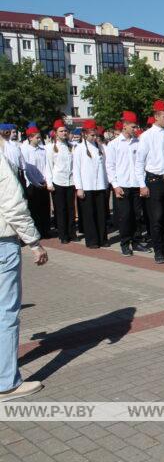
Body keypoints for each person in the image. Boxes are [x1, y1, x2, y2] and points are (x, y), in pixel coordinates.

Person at [0, 149, 48, 402]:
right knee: (6, 313)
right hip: (2, 242)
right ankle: (6, 383)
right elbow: (12, 205)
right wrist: (34, 242)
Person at [136, 100, 164, 264]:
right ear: (156, 116)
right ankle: (158, 251)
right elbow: (139, 162)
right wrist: (142, 184)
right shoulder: (146, 136)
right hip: (154, 181)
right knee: (157, 218)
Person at [106, 112, 148, 256]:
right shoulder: (114, 144)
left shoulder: (138, 142)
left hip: (136, 185)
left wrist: (142, 184)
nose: (135, 129)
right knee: (125, 216)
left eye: (136, 127)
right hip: (122, 185)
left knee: (137, 215)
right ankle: (125, 243)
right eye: (133, 126)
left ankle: (136, 241)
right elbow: (110, 167)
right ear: (124, 126)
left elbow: (141, 164)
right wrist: (115, 185)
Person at [72, 120, 108, 249]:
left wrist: (106, 182)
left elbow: (104, 166)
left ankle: (102, 238)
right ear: (85, 134)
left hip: (100, 186)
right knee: (89, 214)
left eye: (95, 135)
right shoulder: (79, 149)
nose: (94, 137)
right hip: (87, 186)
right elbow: (76, 169)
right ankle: (92, 240)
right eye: (92, 135)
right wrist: (79, 188)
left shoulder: (100, 147)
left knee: (101, 213)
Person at [45, 120, 76, 243]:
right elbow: (48, 166)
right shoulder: (50, 148)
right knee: (61, 209)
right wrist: (49, 182)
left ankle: (71, 232)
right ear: (56, 133)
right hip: (58, 181)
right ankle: (63, 235)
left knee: (70, 208)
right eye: (61, 131)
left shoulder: (71, 146)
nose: (64, 133)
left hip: (70, 181)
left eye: (65, 131)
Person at [20, 123, 50, 238]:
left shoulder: (42, 150)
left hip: (43, 182)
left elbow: (46, 166)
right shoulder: (25, 150)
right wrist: (35, 183)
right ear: (30, 137)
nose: (39, 139)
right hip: (32, 184)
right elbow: (27, 169)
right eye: (36, 137)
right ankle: (37, 231)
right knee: (34, 209)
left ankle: (45, 230)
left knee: (45, 207)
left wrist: (46, 180)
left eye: (39, 137)